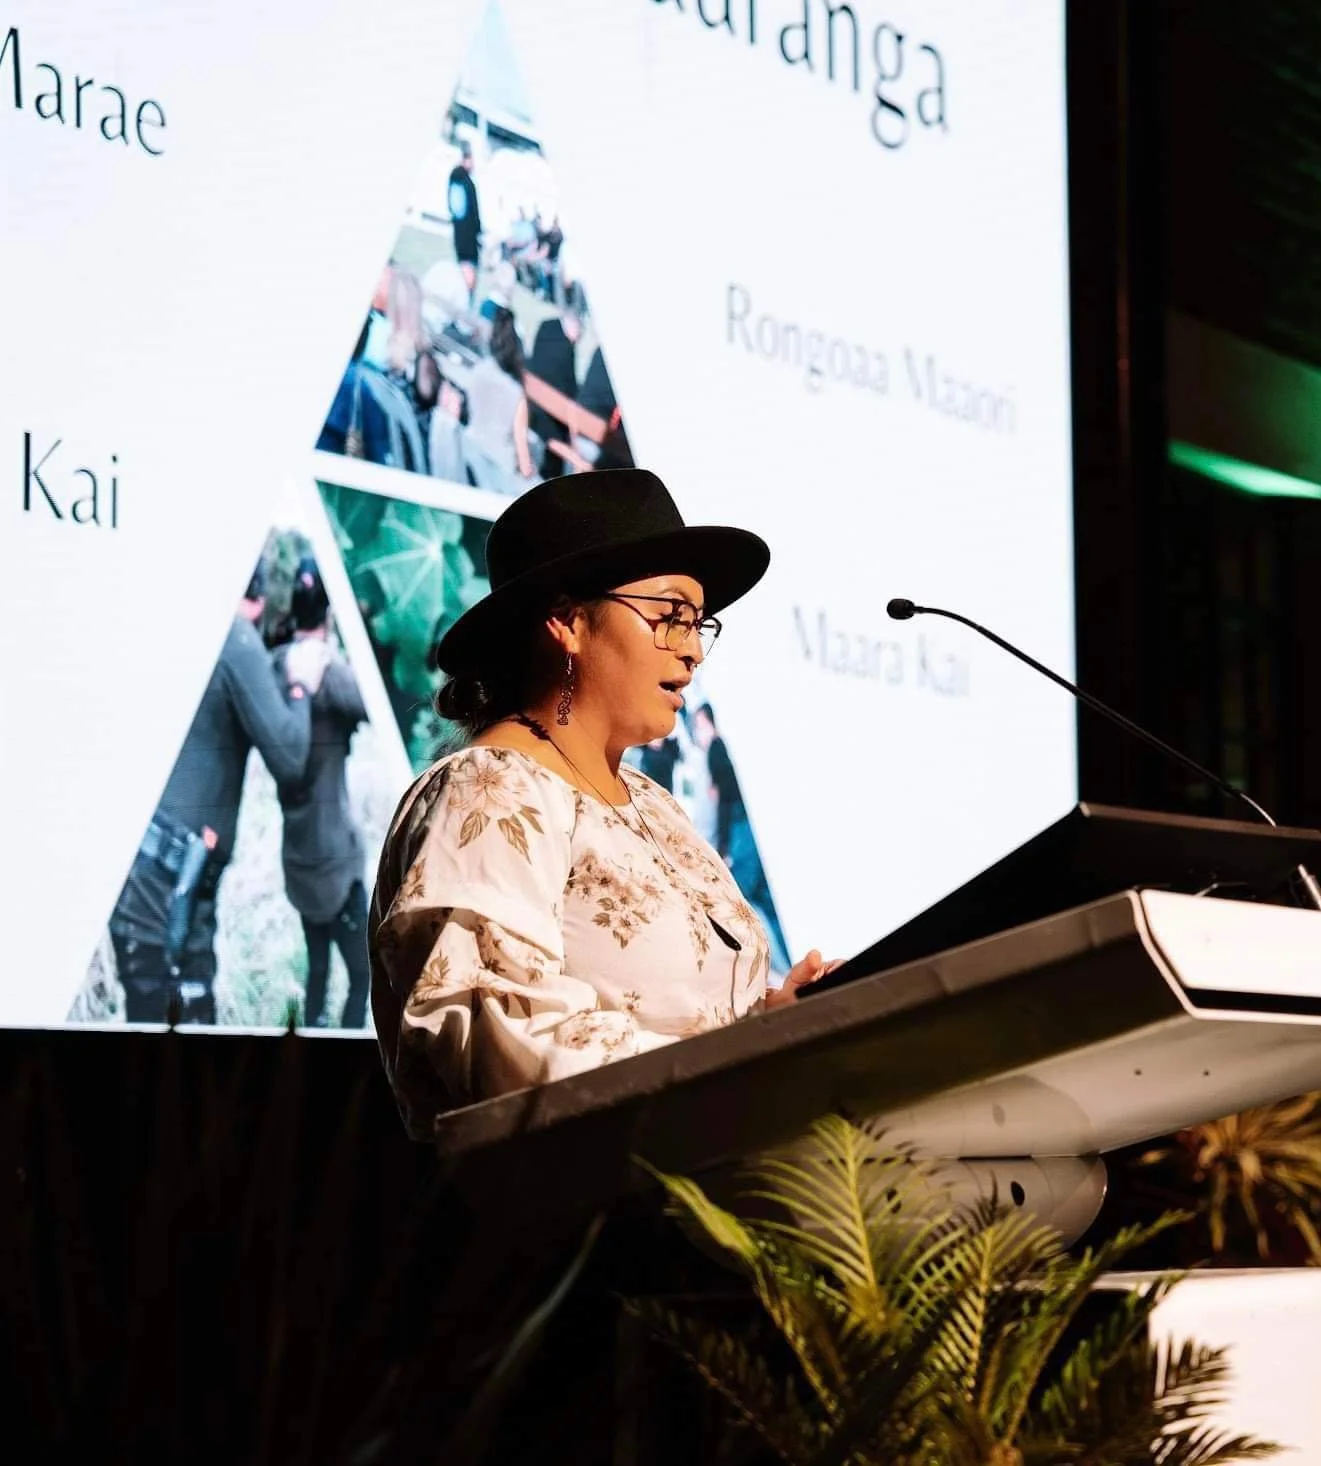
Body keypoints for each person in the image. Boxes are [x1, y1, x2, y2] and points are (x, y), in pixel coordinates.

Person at [369, 469, 838, 1135]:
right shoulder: (492, 788)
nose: (694, 649)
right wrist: (745, 1066)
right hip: (572, 1213)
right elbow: (499, 1037)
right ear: (565, 621)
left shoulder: (652, 805)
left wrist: (775, 1019)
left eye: (700, 623)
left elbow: (683, 1018)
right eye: (670, 615)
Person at [105, 560, 329, 1024]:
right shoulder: (235, 637)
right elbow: (290, 760)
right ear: (260, 600)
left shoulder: (180, 625)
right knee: (177, 1038)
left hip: (154, 874)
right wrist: (300, 685)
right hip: (170, 881)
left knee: (152, 1031)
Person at [270, 559, 372, 1028]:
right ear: (328, 616)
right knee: (361, 976)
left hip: (297, 851)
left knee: (317, 972)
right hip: (335, 856)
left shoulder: (274, 669)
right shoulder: (330, 674)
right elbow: (369, 703)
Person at [464, 306, 536, 486]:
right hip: (500, 471)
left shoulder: (478, 371)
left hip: (472, 455)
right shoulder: (516, 393)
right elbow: (524, 461)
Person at [448, 139, 482, 300]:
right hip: (467, 238)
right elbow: (465, 212)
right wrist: (476, 229)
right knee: (468, 274)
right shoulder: (464, 181)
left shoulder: (455, 179)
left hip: (460, 235)